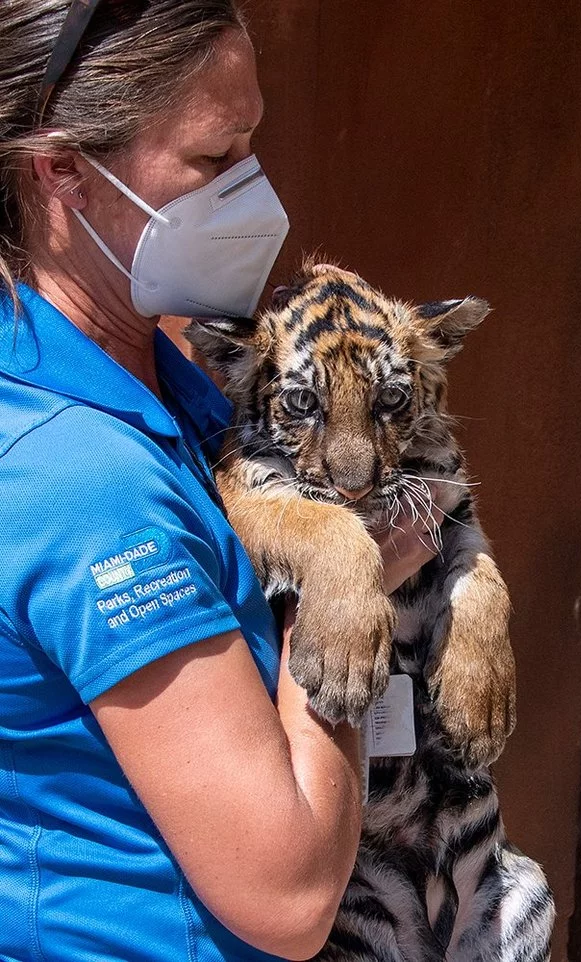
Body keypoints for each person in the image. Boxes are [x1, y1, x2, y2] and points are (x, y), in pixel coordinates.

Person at [0, 3, 442, 961]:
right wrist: (340, 595)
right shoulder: (83, 482)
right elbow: (284, 896)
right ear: (65, 167)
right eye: (212, 161)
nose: (253, 193)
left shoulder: (163, 378)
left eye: (253, 146)